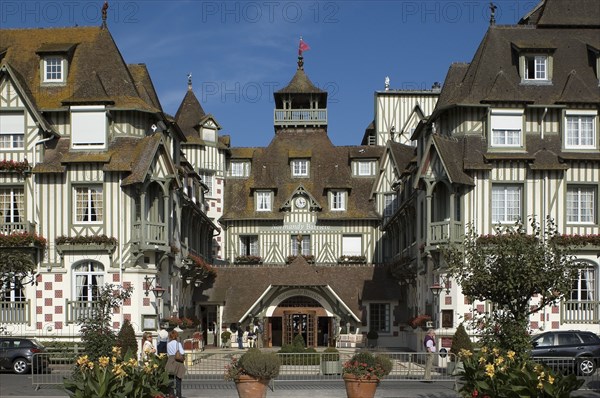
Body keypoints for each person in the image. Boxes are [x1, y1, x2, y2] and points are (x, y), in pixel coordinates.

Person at [165, 330, 186, 398]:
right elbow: (182, 352)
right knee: (178, 378)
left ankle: (171, 393)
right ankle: (178, 395)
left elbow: (168, 353)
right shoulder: (178, 343)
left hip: (170, 360)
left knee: (170, 378)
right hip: (177, 361)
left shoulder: (168, 344)